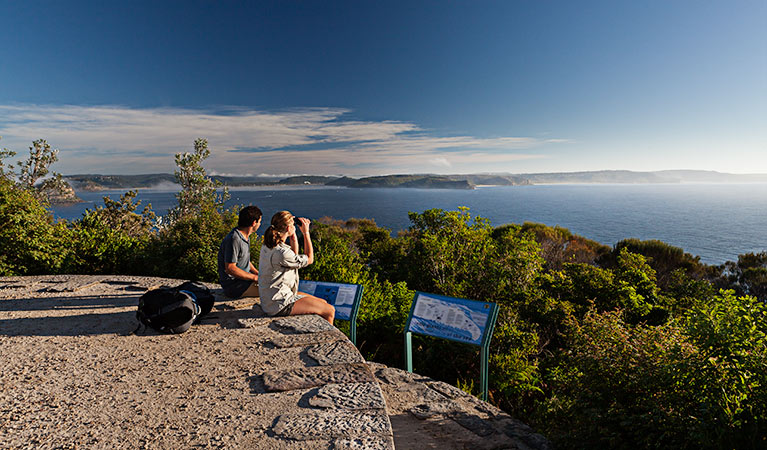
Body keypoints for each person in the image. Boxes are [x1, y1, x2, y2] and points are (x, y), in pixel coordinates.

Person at [258, 211, 335, 324]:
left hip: (271, 300)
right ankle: (327, 340)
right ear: (288, 228)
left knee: (322, 302)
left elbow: (293, 257)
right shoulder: (282, 253)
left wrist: (293, 236)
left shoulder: (267, 246)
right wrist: (306, 233)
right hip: (280, 304)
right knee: (329, 310)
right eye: (293, 225)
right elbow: (309, 259)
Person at [218, 205, 262, 298]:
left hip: (243, 282)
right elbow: (230, 268)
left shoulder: (245, 237)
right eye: (260, 222)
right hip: (234, 286)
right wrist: (254, 278)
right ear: (254, 223)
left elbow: (244, 260)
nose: (260, 224)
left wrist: (258, 274)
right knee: (272, 293)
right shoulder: (235, 239)